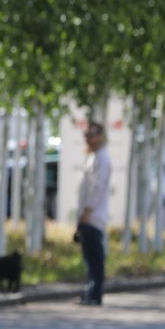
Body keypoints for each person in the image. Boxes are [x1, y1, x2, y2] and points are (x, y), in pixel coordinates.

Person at [75, 120, 110, 306]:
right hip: (88, 215)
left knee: (95, 257)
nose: (89, 138)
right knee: (89, 256)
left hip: (94, 216)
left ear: (101, 136)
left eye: (93, 134)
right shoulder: (93, 157)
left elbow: (97, 187)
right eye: (87, 135)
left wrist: (87, 211)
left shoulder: (102, 158)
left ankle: (95, 293)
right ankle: (91, 290)